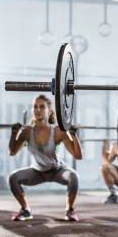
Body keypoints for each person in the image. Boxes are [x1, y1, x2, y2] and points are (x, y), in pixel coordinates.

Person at [8, 94, 83, 222]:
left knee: (73, 177)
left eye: (42, 107)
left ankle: (69, 210)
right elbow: (12, 151)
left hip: (56, 171)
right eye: (35, 107)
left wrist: (74, 136)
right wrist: (14, 134)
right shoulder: (27, 131)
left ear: (49, 111)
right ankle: (26, 210)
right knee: (13, 178)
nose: (38, 110)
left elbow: (78, 156)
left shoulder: (58, 131)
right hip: (37, 172)